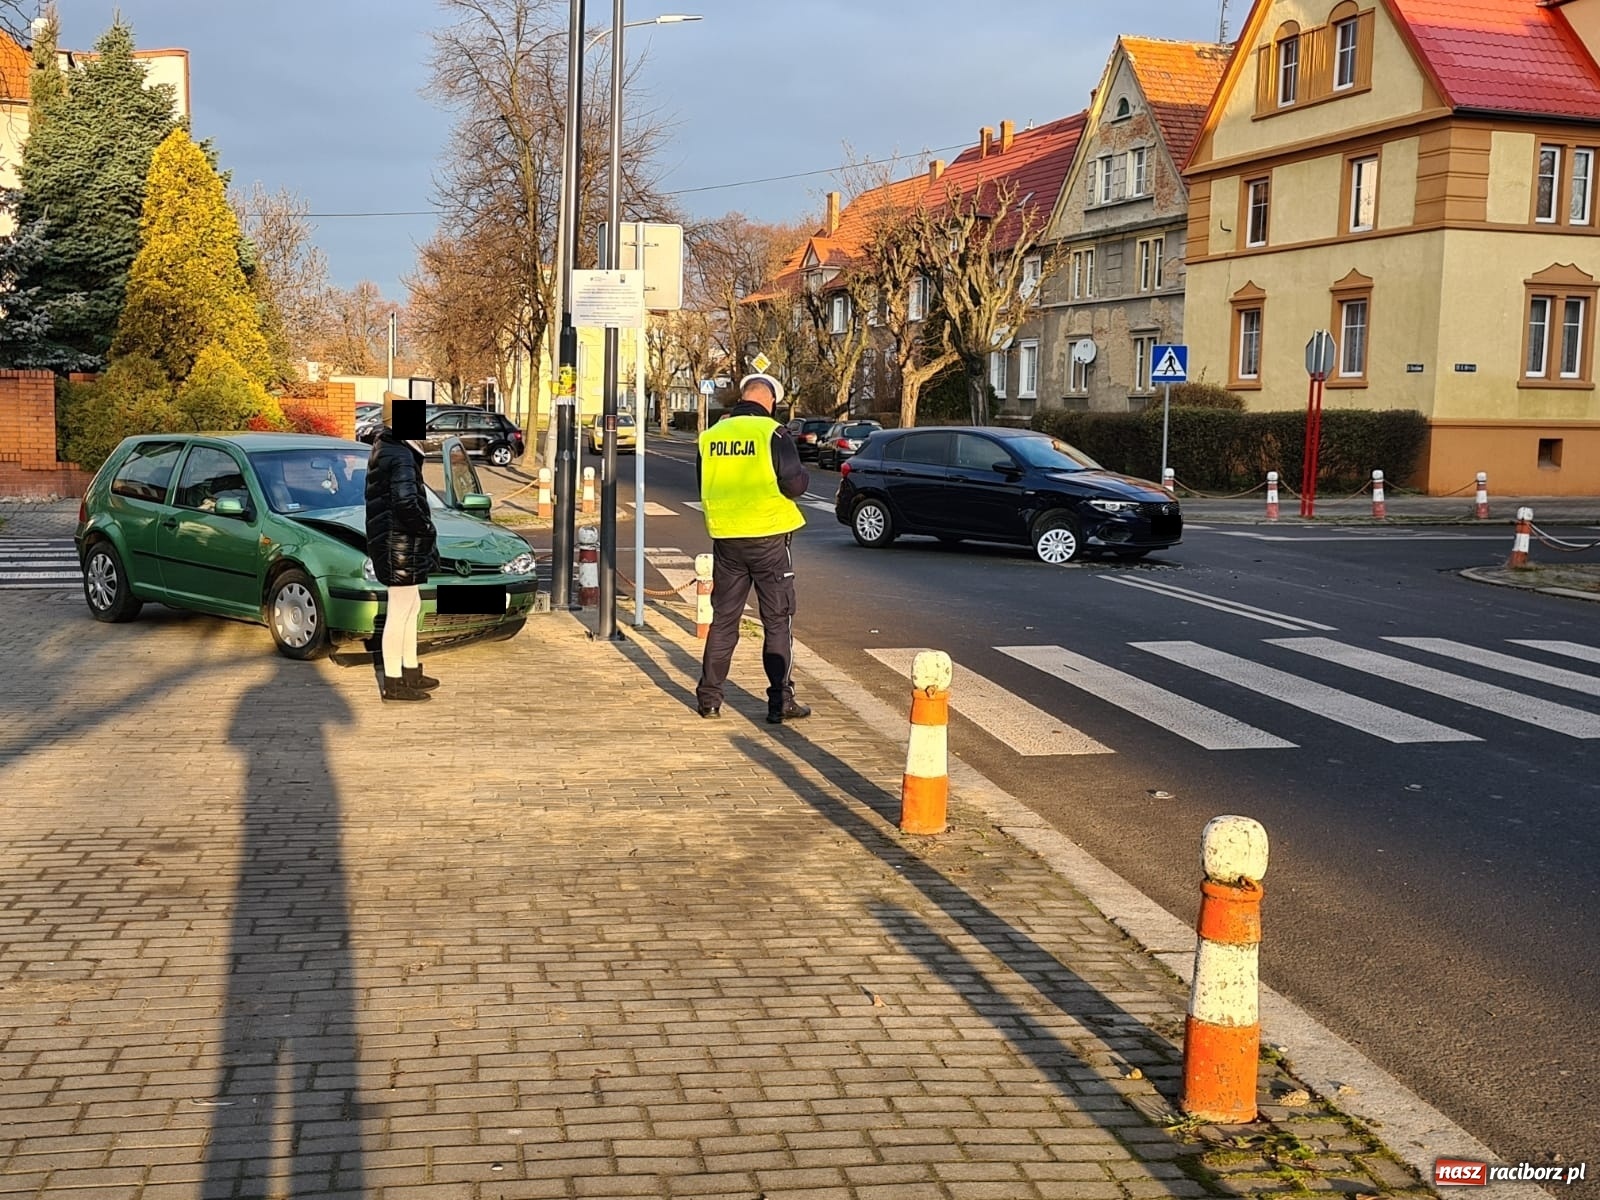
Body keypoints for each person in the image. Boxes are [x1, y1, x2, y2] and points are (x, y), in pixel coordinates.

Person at [695, 373, 812, 724]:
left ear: (743, 397)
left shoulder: (710, 437)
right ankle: (780, 702)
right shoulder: (772, 432)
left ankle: (709, 700)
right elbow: (794, 485)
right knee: (777, 621)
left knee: (724, 621)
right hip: (769, 539)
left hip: (727, 540)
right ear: (770, 401)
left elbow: (704, 482)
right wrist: (802, 478)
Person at [365, 392, 441, 702]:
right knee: (400, 611)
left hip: (396, 541)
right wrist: (426, 527)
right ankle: (394, 682)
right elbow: (407, 502)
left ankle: (410, 671)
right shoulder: (400, 454)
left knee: (411, 606)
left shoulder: (390, 448)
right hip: (400, 543)